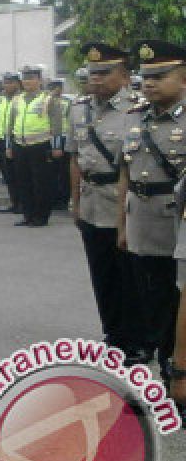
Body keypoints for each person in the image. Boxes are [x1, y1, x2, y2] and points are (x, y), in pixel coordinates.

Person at [67, 43, 142, 360]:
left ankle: (137, 339)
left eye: (103, 73)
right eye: (91, 73)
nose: (94, 79)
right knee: (101, 273)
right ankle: (113, 332)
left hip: (122, 202)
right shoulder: (79, 108)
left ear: (124, 76)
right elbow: (75, 158)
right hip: (91, 201)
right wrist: (75, 201)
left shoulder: (137, 108)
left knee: (131, 274)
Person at [118, 39, 186, 380]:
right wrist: (121, 226)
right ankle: (168, 371)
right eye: (146, 76)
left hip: (178, 219)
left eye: (160, 75)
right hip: (144, 222)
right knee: (157, 300)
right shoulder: (135, 118)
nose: (150, 83)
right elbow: (125, 175)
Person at [6, 64, 63, 227]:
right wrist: (9, 146)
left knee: (41, 183)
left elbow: (56, 123)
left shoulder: (47, 98)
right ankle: (28, 214)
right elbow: (10, 125)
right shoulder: (17, 99)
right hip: (20, 145)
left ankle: (41, 216)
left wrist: (57, 146)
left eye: (31, 78)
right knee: (23, 182)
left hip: (40, 145)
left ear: (39, 80)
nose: (27, 81)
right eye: (25, 78)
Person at [0, 73, 22, 214]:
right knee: (7, 174)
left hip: (16, 139)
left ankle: (23, 203)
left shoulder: (21, 98)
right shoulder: (1, 99)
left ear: (17, 83)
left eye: (10, 82)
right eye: (5, 82)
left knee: (19, 173)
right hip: (2, 139)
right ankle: (14, 202)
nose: (7, 85)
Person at [48, 79, 72, 210]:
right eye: (54, 87)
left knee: (63, 172)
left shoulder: (68, 102)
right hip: (49, 138)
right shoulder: (46, 101)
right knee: (51, 171)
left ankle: (63, 199)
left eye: (59, 87)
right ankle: (53, 198)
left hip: (64, 138)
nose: (57, 89)